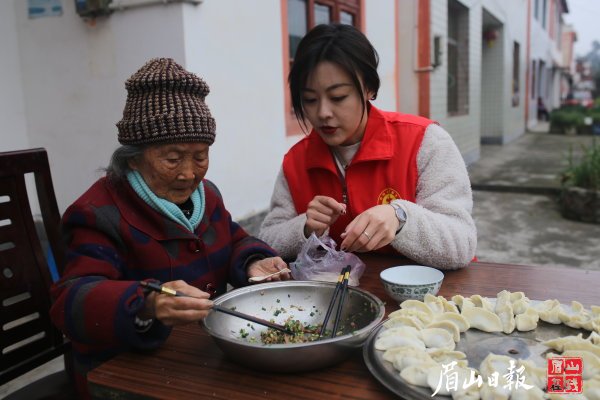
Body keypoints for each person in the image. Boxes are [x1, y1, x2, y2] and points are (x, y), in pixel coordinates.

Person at [50, 58, 290, 398]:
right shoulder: (98, 214)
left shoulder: (206, 195)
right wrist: (147, 303)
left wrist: (254, 260)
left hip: (197, 354)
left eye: (201, 155)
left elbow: (234, 238)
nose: (188, 173)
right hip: (127, 371)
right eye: (173, 158)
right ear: (133, 157)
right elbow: (70, 299)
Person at [258, 24, 476, 270]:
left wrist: (401, 218)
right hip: (340, 296)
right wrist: (306, 227)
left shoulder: (425, 141)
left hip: (427, 299)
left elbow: (462, 244)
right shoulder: (297, 161)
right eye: (310, 99)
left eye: (338, 97)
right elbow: (267, 239)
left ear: (369, 88)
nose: (323, 113)